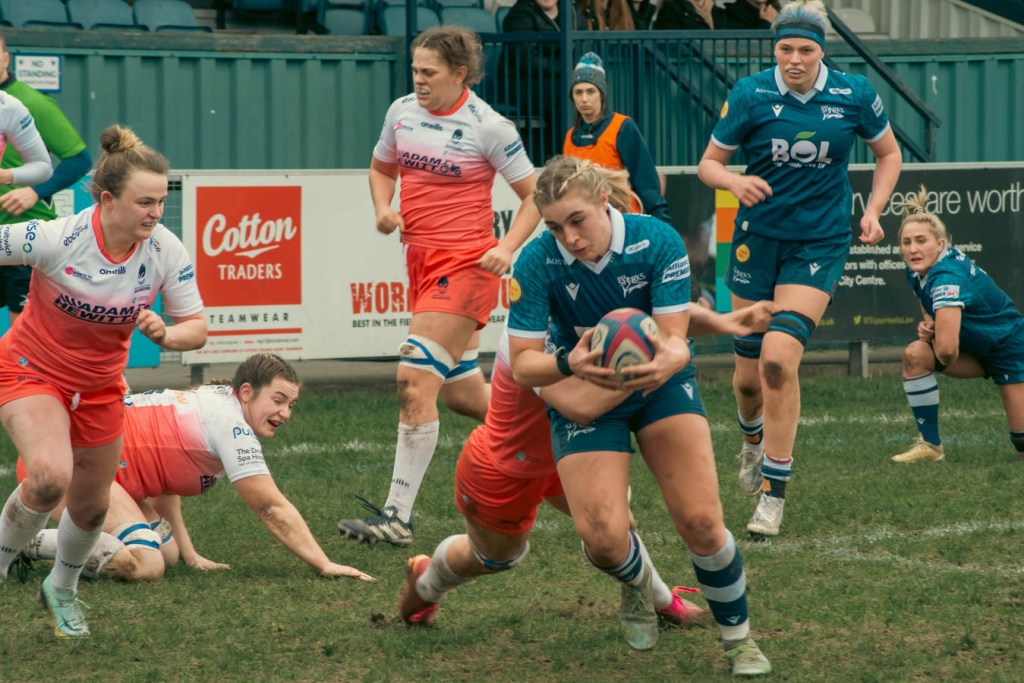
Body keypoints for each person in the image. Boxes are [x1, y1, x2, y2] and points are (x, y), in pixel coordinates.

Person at [503, 155, 772, 676]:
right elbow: (522, 364)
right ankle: (636, 581)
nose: (569, 238)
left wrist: (668, 359)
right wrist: (570, 362)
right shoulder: (536, 262)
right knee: (604, 539)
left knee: (701, 521)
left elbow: (674, 341)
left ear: (604, 201)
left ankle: (739, 641)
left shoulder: (657, 240)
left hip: (659, 386)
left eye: (577, 220)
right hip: (583, 387)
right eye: (555, 227)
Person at [398, 301, 772, 642]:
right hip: (509, 466)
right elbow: (582, 405)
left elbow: (663, 314)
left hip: (572, 450)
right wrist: (662, 364)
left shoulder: (598, 291)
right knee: (492, 557)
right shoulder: (530, 336)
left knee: (616, 525)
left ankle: (659, 600)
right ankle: (427, 584)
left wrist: (723, 322)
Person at [696, 0, 901, 537]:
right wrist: (733, 181)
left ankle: (773, 495)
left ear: (821, 51)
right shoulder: (750, 94)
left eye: (805, 50)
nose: (793, 59)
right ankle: (751, 440)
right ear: (774, 49)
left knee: (778, 361)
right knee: (747, 379)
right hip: (755, 241)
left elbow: (889, 154)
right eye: (784, 48)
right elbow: (708, 165)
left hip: (819, 242)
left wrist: (874, 210)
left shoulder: (854, 94)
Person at [336, 26, 541, 548]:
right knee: (464, 396)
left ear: (460, 74)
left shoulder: (489, 126)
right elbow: (381, 168)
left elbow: (536, 194)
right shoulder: (402, 111)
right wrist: (383, 208)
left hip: (467, 267)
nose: (419, 80)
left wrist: (507, 247)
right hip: (421, 265)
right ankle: (561, 434)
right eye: (415, 70)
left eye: (429, 72)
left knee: (413, 381)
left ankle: (397, 517)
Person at [0, 124, 207, 639]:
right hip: (30, 369)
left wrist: (168, 334)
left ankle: (62, 589)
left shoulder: (165, 250)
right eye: (145, 202)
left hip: (99, 388)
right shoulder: (57, 237)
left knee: (91, 508)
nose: (156, 213)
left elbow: (197, 328)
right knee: (50, 476)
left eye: (161, 202)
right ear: (108, 201)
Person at [19, 353, 374, 582]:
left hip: (96, 469)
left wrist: (190, 555)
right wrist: (324, 563)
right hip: (70, 467)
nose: (285, 413)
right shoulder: (231, 426)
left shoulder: (219, 404)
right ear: (246, 392)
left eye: (291, 404)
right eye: (278, 400)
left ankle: (74, 546)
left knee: (168, 553)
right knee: (147, 563)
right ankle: (26, 542)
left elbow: (165, 482)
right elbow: (270, 507)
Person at [890, 187, 1024, 464]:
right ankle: (931, 445)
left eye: (921, 241)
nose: (913, 249)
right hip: (980, 349)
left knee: (1022, 445)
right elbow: (929, 307)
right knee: (916, 355)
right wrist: (931, 325)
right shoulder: (919, 270)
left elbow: (948, 352)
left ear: (941, 244)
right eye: (906, 242)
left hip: (1010, 350)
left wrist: (938, 336)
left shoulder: (947, 277)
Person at [0, 31, 91, 325]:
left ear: (5, 58)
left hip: (23, 236)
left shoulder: (32, 103)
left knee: (22, 331)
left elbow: (79, 159)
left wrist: (35, 191)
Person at [563, 52, 672, 227]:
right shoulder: (570, 136)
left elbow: (646, 182)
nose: (584, 99)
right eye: (578, 92)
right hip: (586, 226)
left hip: (624, 222)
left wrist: (662, 226)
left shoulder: (622, 127)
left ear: (601, 94)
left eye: (591, 91)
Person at [498, 0, 594, 163]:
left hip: (558, 79)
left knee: (590, 90)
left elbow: (582, 48)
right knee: (566, 94)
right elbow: (527, 60)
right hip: (522, 84)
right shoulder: (519, 15)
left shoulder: (572, 11)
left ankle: (590, 153)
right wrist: (566, 67)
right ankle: (565, 157)